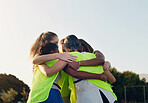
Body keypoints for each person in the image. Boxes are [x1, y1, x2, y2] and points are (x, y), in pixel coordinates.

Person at [28, 31, 107, 103]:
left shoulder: (47, 59)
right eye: (55, 42)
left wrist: (107, 64)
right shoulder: (43, 58)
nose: (57, 46)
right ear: (46, 43)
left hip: (45, 94)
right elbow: (45, 70)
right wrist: (60, 55)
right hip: (45, 94)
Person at [63, 35, 117, 103]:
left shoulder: (68, 58)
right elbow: (101, 61)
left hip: (87, 96)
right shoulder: (94, 56)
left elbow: (74, 74)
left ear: (66, 48)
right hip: (109, 95)